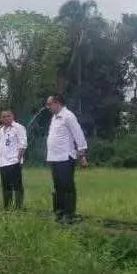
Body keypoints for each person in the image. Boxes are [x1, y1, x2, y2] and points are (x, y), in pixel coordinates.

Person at [45, 95, 88, 224]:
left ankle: (69, 214)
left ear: (57, 103)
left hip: (65, 157)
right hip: (54, 157)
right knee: (57, 186)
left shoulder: (68, 116)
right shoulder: (54, 118)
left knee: (67, 186)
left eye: (49, 104)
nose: (48, 107)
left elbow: (78, 135)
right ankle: (59, 212)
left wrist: (82, 155)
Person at [0, 110, 28, 210]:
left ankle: (18, 207)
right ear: (1, 118)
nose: (6, 118)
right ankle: (7, 207)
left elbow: (23, 145)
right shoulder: (0, 129)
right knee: (5, 185)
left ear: (12, 116)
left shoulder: (18, 127)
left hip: (14, 161)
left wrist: (18, 159)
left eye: (8, 116)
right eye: (4, 116)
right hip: (3, 162)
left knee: (17, 185)